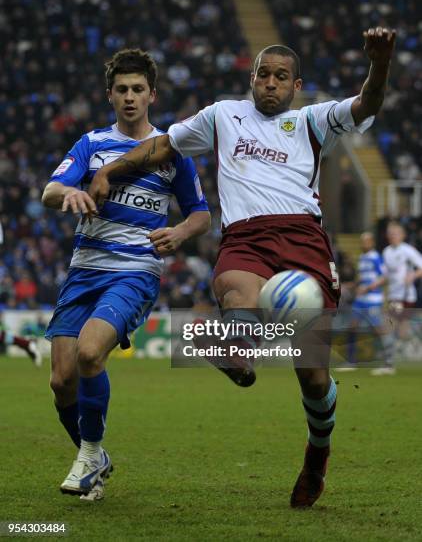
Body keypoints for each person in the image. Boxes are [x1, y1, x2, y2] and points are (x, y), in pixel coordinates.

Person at [88, 27, 396, 508]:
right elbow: (163, 146)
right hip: (246, 236)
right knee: (236, 288)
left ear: (296, 87)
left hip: (303, 239)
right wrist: (109, 170)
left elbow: (367, 104)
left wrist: (379, 64)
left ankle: (318, 454)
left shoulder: (314, 121)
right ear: (251, 79)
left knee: (312, 375)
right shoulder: (223, 116)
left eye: (281, 77)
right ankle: (236, 347)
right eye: (263, 75)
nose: (270, 84)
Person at [42, 49, 210, 501]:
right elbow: (50, 190)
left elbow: (200, 214)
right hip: (84, 270)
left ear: (152, 94)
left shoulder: (172, 151)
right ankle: (93, 457)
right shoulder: (91, 144)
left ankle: (89, 452)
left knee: (90, 353)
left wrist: (179, 231)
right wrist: (69, 196)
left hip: (134, 270)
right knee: (61, 381)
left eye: (138, 89)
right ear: (110, 95)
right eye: (122, 90)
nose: (130, 97)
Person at [376, 222, 422, 375]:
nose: (392, 236)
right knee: (399, 331)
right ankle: (389, 363)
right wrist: (374, 286)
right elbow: (387, 275)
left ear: (403, 235)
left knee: (388, 326)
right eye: (390, 233)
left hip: (406, 296)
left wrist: (413, 275)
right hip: (393, 296)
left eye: (395, 233)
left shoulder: (407, 251)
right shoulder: (386, 252)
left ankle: (388, 364)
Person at [340, 232, 386, 370]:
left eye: (366, 241)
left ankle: (387, 362)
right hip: (360, 300)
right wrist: (351, 285)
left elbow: (384, 277)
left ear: (371, 242)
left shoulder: (376, 257)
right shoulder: (362, 258)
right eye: (362, 241)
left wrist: (367, 288)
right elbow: (362, 278)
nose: (363, 244)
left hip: (373, 299)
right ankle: (351, 361)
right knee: (352, 327)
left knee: (377, 330)